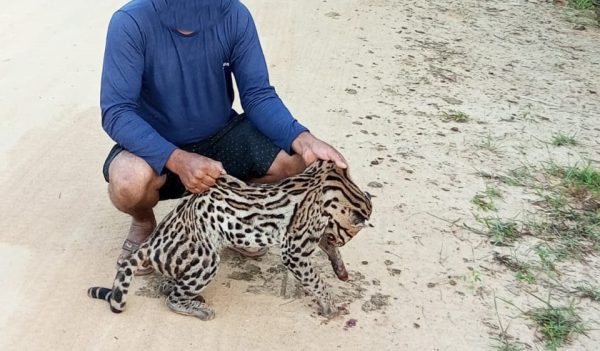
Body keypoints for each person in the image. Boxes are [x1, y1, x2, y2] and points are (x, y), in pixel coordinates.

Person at [100, 0, 346, 274]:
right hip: (158, 144)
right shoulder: (131, 22)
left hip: (221, 135)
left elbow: (257, 94)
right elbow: (117, 112)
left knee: (297, 159)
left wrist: (303, 138)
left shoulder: (233, 14)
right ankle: (144, 223)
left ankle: (239, 218)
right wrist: (178, 159)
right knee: (127, 181)